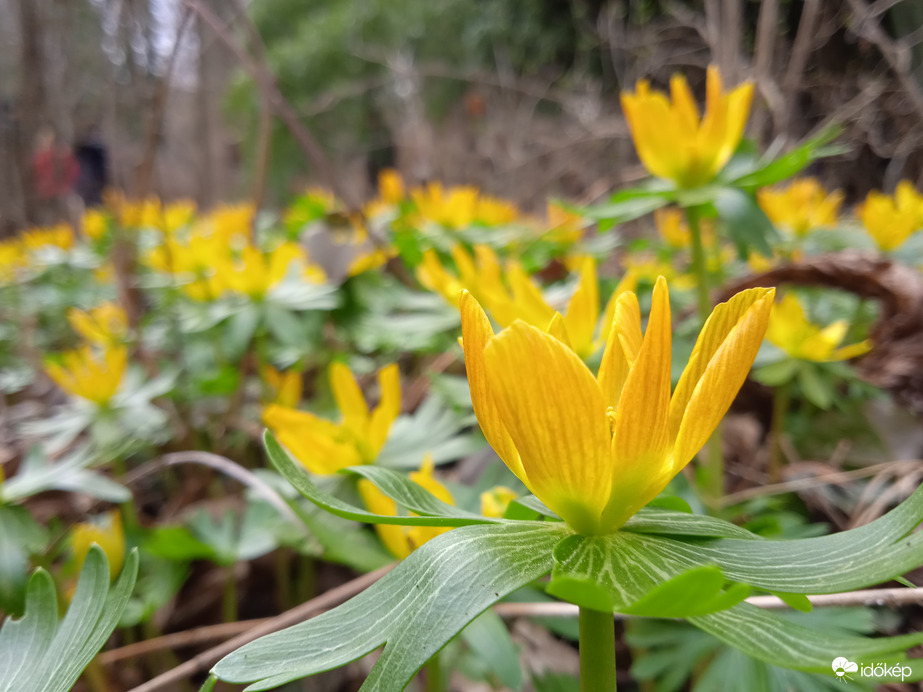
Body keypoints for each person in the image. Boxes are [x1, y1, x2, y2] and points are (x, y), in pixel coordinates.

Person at [31, 127, 79, 226]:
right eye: (44, 140)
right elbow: (38, 174)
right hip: (47, 194)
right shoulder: (39, 157)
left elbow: (72, 168)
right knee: (50, 219)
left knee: (70, 213)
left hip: (62, 191)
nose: (47, 143)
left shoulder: (60, 154)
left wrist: (67, 183)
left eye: (49, 140)